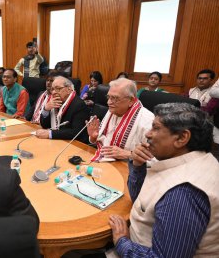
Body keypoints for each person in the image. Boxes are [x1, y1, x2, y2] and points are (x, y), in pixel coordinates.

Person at [109, 103, 219, 257]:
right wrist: (137, 165)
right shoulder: (202, 159)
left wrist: (122, 241)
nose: (148, 134)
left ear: (182, 138)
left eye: (156, 128)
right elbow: (141, 202)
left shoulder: (183, 193)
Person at [87, 78, 154, 161]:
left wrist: (129, 154)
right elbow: (104, 141)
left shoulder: (148, 121)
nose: (108, 102)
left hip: (129, 168)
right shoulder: (113, 110)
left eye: (115, 98)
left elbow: (154, 159)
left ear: (131, 100)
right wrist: (94, 137)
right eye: (108, 97)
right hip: (106, 162)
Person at [35, 76, 90, 143]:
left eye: (58, 89)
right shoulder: (56, 102)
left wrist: (50, 134)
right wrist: (46, 110)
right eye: (52, 89)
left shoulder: (79, 105)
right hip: (57, 141)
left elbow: (76, 132)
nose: (54, 92)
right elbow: (45, 125)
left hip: (74, 145)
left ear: (69, 89)